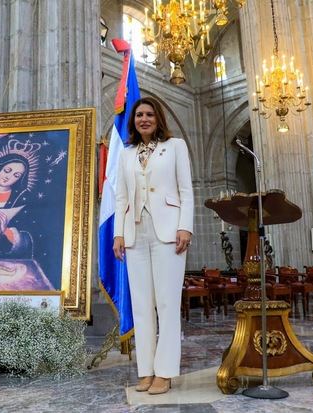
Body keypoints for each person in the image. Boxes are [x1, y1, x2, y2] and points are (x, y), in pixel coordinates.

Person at [113, 96, 194, 395]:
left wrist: (185, 226)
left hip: (168, 232)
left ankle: (166, 371)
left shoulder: (175, 147)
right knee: (142, 306)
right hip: (135, 233)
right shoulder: (126, 154)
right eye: (138, 116)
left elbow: (186, 190)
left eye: (149, 114)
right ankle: (146, 370)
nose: (143, 119)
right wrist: (118, 235)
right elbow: (122, 198)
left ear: (158, 118)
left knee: (167, 303)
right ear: (133, 122)